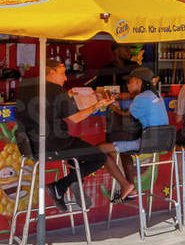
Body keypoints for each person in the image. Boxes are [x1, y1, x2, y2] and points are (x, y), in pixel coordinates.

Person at [16, 58, 136, 208]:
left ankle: (75, 183)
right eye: (62, 73)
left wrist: (66, 95)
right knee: (99, 157)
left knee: (78, 154)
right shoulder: (56, 90)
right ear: (51, 72)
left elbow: (46, 102)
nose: (66, 78)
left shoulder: (26, 85)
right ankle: (60, 186)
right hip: (54, 144)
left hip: (31, 146)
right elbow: (75, 118)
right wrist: (97, 105)